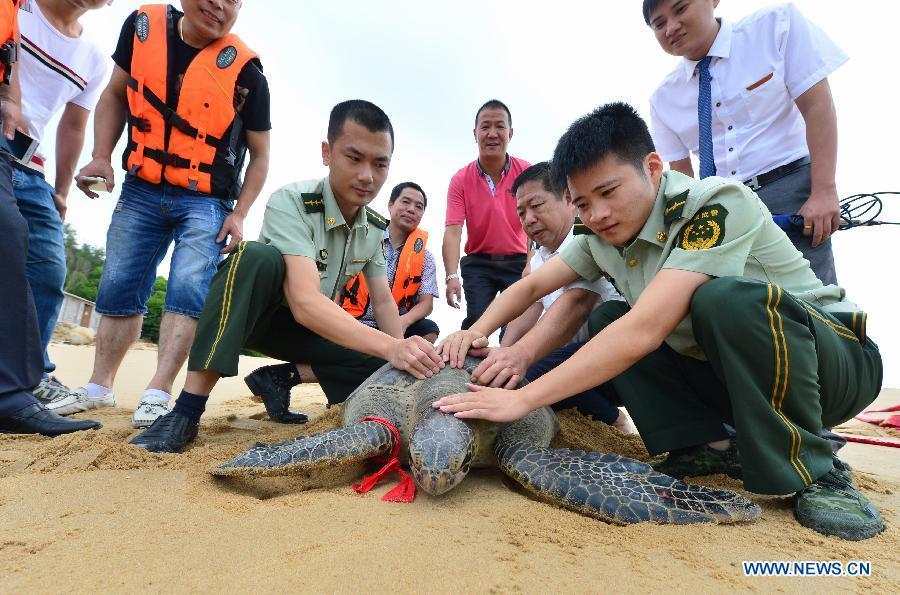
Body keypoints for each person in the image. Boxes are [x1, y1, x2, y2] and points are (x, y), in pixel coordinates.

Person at [434, 103, 883, 541]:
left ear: (651, 167)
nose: (597, 215)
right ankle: (707, 449)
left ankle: (819, 469)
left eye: (608, 193)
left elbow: (645, 330)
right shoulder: (600, 236)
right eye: (583, 203)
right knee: (613, 313)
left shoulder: (716, 203)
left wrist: (523, 399)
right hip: (735, 380)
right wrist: (474, 331)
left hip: (835, 363)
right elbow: (531, 287)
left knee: (721, 299)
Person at [129, 100, 443, 452]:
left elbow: (383, 300)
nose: (367, 176)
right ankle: (186, 411)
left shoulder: (373, 228)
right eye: (354, 158)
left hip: (306, 329)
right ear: (327, 153)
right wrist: (392, 347)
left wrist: (402, 350)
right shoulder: (292, 202)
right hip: (257, 317)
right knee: (255, 256)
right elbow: (305, 302)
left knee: (385, 364)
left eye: (380, 164)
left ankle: (278, 381)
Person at [49, 1, 271, 431]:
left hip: (207, 200)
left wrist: (240, 214)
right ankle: (99, 386)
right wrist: (101, 157)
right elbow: (115, 93)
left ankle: (157, 390)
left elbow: (260, 156)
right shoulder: (142, 26)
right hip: (141, 185)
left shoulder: (247, 73)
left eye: (234, 0)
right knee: (119, 281)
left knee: (188, 287)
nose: (219, 5)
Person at [644, 0, 846, 286]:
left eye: (680, 9)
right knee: (743, 311)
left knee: (816, 302)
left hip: (791, 192)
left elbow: (818, 106)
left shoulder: (774, 26)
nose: (671, 28)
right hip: (722, 209)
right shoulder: (662, 98)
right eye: (659, 23)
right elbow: (681, 177)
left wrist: (824, 191)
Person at [245, 180, 442, 423]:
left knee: (429, 329)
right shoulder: (360, 233)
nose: (412, 209)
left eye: (419, 206)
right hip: (349, 317)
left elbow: (422, 302)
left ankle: (286, 375)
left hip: (391, 324)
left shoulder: (425, 257)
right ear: (390, 205)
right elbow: (334, 286)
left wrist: (401, 330)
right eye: (406, 202)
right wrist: (335, 318)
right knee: (362, 348)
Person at [469, 161, 631, 431]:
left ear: (567, 200)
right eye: (521, 212)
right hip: (572, 352)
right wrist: (499, 350)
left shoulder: (587, 237)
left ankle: (615, 421)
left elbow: (577, 303)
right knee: (507, 369)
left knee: (527, 376)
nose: (528, 219)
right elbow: (530, 302)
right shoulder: (541, 256)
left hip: (616, 356)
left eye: (537, 205)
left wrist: (518, 355)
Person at [0, 0, 99, 436]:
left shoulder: (93, 59)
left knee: (47, 265)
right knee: (8, 237)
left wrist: (60, 189)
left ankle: (30, 378)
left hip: (32, 165)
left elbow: (73, 126)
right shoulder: (17, 11)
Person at [442, 99, 530, 333]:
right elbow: (453, 231)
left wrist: (531, 264)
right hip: (479, 263)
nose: (492, 133)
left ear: (510, 133)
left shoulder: (527, 173)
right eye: (485, 127)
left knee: (517, 329)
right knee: (477, 326)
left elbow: (539, 223)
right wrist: (452, 276)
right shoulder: (460, 180)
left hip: (519, 263)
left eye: (500, 126)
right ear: (475, 133)